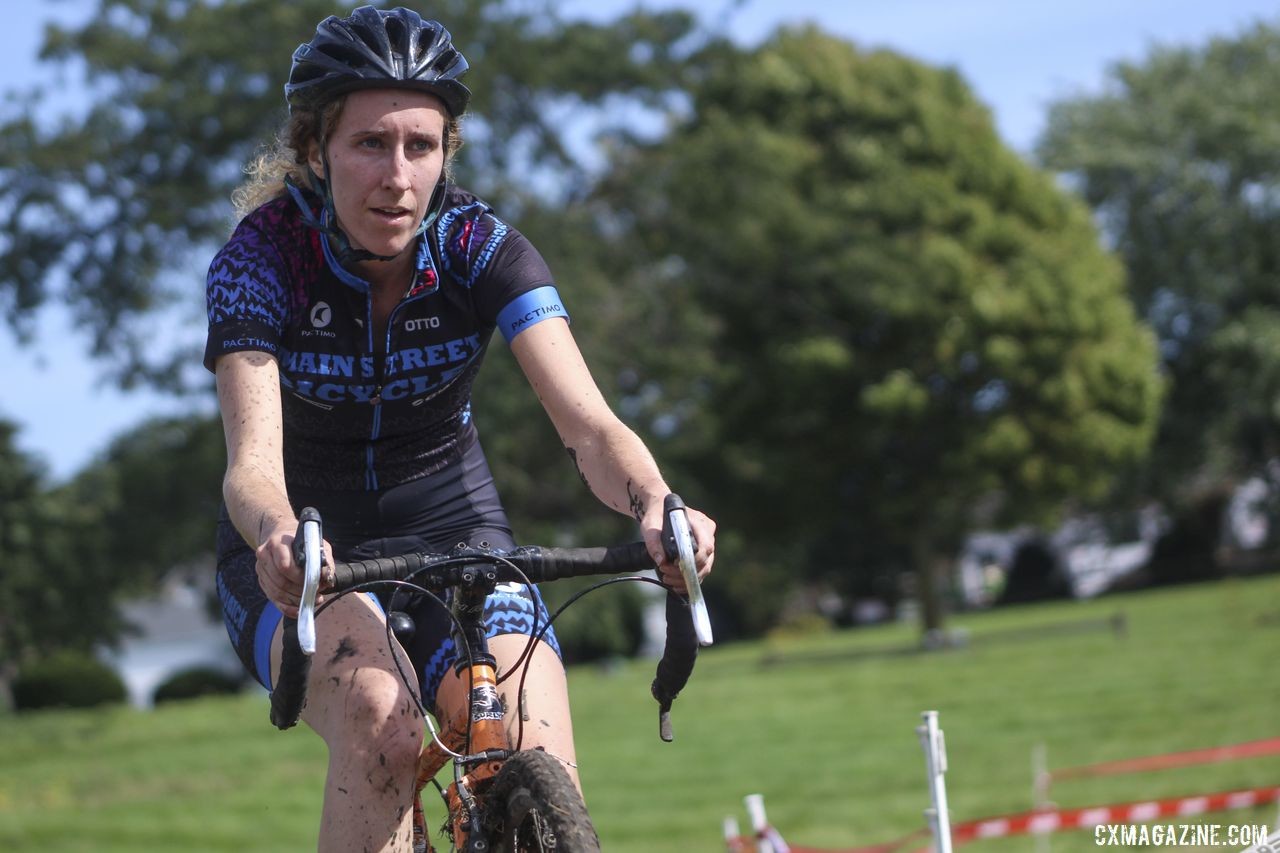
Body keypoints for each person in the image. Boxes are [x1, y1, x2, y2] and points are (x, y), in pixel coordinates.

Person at [205, 6, 716, 852]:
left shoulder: (482, 249)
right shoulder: (260, 260)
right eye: (370, 143)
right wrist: (279, 538)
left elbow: (590, 427)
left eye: (422, 145)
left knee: (528, 736)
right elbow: (251, 468)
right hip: (294, 547)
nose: (397, 175)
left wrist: (658, 504)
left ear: (448, 152)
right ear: (314, 148)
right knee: (385, 724)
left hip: (456, 527)